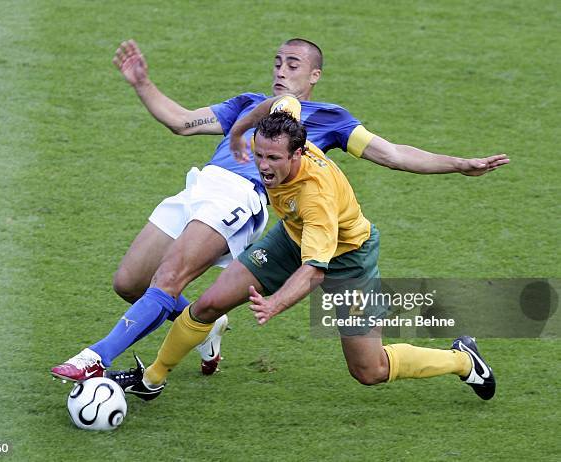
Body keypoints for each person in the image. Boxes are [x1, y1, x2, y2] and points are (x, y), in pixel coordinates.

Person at [52, 37, 398, 381]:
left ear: (314, 75)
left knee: (169, 278)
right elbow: (181, 122)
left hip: (238, 197)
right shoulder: (249, 104)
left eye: (293, 65)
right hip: (201, 185)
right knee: (129, 282)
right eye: (277, 62)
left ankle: (97, 357)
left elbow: (393, 154)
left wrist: (452, 163)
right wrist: (143, 84)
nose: (281, 70)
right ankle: (206, 323)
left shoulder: (327, 118)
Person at [108, 106, 508, 401]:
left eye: (273, 159)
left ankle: (462, 360)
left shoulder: (315, 197)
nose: (262, 167)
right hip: (290, 236)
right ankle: (152, 380)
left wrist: (274, 305)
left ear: (299, 154)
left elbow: (315, 271)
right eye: (258, 154)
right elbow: (278, 103)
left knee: (369, 370)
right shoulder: (287, 121)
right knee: (209, 302)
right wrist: (239, 132)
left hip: (347, 257)